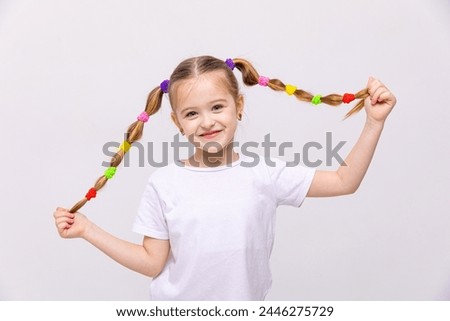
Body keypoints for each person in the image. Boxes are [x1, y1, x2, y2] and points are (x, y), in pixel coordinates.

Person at [53, 56, 397, 300]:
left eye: (217, 107)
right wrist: (87, 229)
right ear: (177, 123)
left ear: (239, 106)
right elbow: (151, 261)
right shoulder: (165, 183)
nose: (207, 122)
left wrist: (373, 123)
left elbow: (343, 181)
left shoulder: (263, 172)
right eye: (192, 113)